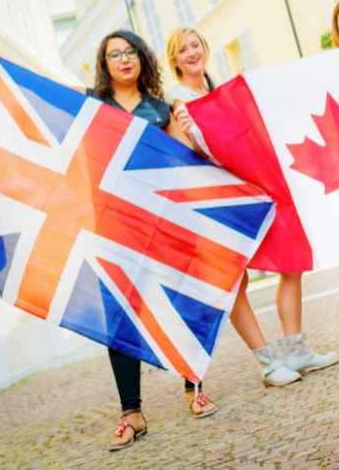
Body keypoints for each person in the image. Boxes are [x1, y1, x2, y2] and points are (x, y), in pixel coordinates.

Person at [166, 27, 339, 388]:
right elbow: (186, 158)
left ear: (206, 48)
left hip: (253, 187)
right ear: (175, 59)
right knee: (235, 279)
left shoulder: (218, 91)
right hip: (218, 198)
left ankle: (295, 349)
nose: (192, 53)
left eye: (196, 45)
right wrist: (190, 130)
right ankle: (267, 362)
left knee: (290, 259)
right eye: (183, 50)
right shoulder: (179, 102)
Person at [85, 30, 217, 451]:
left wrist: (186, 132)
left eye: (130, 52)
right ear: (105, 65)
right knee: (119, 315)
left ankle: (193, 387)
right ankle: (132, 413)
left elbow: (183, 164)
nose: (123, 59)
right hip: (113, 224)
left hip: (163, 222)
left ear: (143, 59)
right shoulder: (91, 104)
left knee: (182, 300)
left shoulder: (163, 110)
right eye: (114, 55)